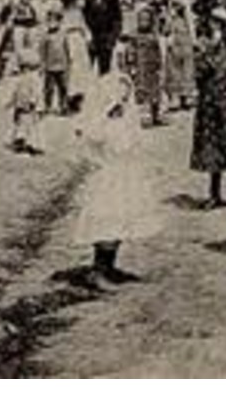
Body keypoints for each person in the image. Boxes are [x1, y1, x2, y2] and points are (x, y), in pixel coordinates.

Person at [68, 63, 159, 289]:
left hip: (125, 177)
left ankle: (109, 266)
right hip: (108, 180)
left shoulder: (126, 120)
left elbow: (135, 142)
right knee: (106, 222)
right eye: (118, 97)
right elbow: (91, 141)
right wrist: (104, 115)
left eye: (126, 97)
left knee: (121, 222)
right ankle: (98, 270)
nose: (122, 102)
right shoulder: (101, 124)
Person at [190, 5, 226, 209]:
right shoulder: (204, 44)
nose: (216, 26)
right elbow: (199, 71)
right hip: (210, 102)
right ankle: (215, 194)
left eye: (220, 22)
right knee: (212, 149)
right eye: (214, 21)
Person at [9, 16, 44, 155]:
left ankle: (29, 141)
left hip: (28, 93)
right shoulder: (22, 54)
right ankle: (22, 139)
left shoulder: (34, 51)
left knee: (30, 119)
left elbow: (36, 90)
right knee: (24, 117)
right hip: (24, 92)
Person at [129, 5, 167, 127]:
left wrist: (160, 64)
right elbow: (131, 52)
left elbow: (158, 52)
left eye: (146, 20)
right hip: (141, 68)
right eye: (141, 20)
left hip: (153, 68)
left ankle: (156, 115)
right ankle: (146, 117)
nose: (143, 23)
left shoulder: (154, 36)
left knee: (156, 93)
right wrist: (131, 65)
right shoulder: (135, 36)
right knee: (143, 93)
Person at [83, 0, 122, 77]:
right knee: (87, 68)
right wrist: (87, 35)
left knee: (105, 71)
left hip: (106, 39)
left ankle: (104, 91)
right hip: (93, 39)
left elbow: (117, 21)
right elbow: (85, 18)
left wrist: (112, 40)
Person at [162, 0, 196, 110]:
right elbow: (165, 31)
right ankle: (174, 98)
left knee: (187, 72)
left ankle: (186, 97)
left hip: (186, 47)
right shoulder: (171, 18)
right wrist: (170, 18)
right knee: (173, 72)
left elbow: (192, 33)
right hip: (174, 47)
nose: (177, 7)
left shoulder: (189, 20)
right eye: (174, 5)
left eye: (179, 5)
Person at [40, 3, 73, 116]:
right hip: (50, 66)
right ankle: (48, 106)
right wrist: (43, 64)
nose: (52, 23)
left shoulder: (63, 34)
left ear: (59, 22)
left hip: (62, 65)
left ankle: (63, 106)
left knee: (63, 87)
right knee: (48, 88)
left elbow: (67, 48)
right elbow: (42, 51)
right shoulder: (46, 36)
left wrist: (69, 62)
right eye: (50, 21)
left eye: (55, 20)